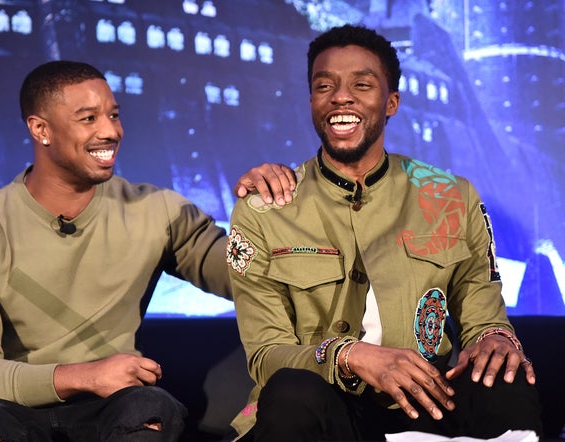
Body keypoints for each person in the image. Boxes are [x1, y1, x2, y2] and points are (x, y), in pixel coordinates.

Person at [0, 60, 294, 442]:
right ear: (40, 129)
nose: (111, 131)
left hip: (116, 408)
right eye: (88, 118)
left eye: (113, 115)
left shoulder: (157, 211)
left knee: (151, 407)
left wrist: (261, 214)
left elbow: (241, 274)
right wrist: (88, 375)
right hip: (13, 408)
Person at [226, 24, 543, 441]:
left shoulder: (451, 196)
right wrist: (349, 356)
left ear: (391, 102)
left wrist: (495, 340)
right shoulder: (263, 209)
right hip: (322, 404)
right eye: (325, 86)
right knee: (289, 391)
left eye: (361, 84)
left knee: (506, 377)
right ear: (311, 102)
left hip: (426, 399)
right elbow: (266, 355)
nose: (341, 96)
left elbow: (482, 314)